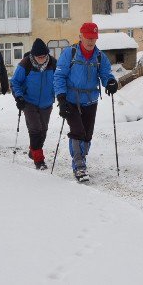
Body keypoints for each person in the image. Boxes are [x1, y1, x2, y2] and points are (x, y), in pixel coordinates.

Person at [53, 23, 118, 182]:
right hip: (71, 100)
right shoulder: (70, 53)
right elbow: (59, 76)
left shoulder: (100, 57)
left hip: (90, 100)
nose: (91, 42)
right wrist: (61, 99)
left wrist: (110, 82)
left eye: (93, 38)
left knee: (87, 135)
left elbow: (106, 74)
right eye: (88, 38)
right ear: (81, 36)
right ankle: (79, 166)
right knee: (78, 132)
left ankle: (81, 157)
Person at [10, 38, 56, 170]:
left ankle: (33, 150)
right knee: (35, 129)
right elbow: (15, 82)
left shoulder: (53, 63)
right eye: (38, 57)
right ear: (33, 55)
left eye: (43, 56)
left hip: (47, 102)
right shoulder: (25, 64)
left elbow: (60, 79)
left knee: (43, 130)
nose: (41, 59)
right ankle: (39, 160)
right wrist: (19, 97)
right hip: (29, 101)